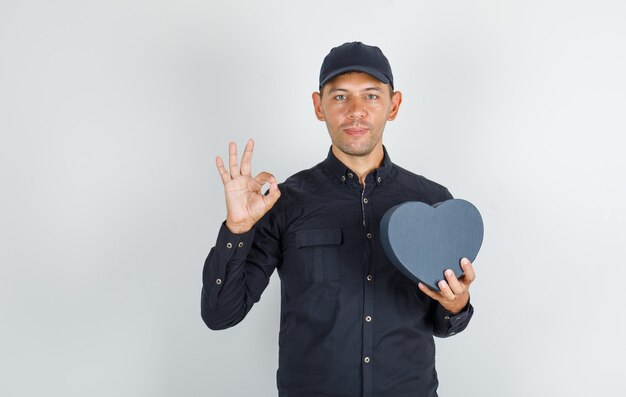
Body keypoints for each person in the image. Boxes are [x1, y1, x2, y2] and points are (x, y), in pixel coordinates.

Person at [201, 41, 476, 397]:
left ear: (394, 105)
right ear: (319, 106)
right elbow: (220, 314)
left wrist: (456, 305)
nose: (356, 111)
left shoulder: (432, 202)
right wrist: (237, 229)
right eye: (341, 96)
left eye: (372, 96)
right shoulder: (284, 203)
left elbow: (445, 324)